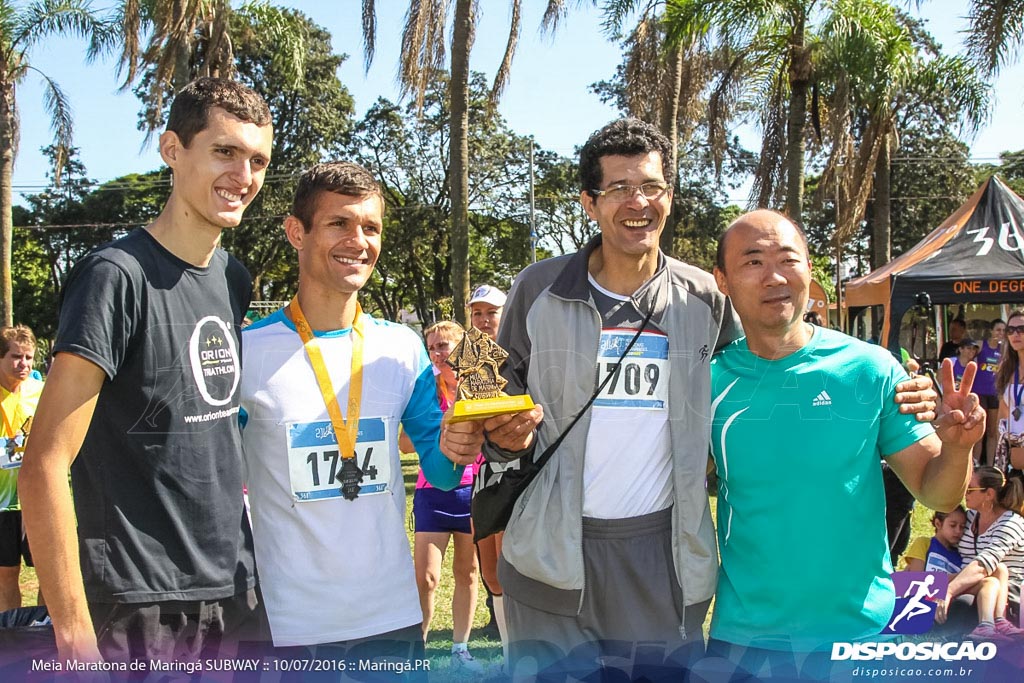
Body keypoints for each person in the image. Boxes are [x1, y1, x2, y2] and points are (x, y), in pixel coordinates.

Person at [19, 77, 273, 663]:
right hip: (140, 604)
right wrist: (74, 637)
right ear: (172, 150)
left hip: (236, 592)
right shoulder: (115, 275)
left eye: (258, 160)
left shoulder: (232, 279)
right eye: (224, 151)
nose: (244, 176)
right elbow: (44, 463)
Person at [237, 162, 501, 671]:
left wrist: (461, 441)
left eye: (372, 227)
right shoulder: (248, 351)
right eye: (339, 223)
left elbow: (442, 470)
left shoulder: (401, 349)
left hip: (390, 618)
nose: (359, 241)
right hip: (286, 624)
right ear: (297, 231)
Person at [708, 209, 982, 675]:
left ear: (809, 271)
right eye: (752, 262)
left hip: (859, 630)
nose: (774, 276)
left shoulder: (871, 369)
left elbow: (937, 492)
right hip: (746, 638)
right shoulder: (707, 381)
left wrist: (957, 447)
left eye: (788, 259)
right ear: (723, 280)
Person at [400, 320, 483, 672]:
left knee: (467, 573)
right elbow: (405, 444)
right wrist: (440, 429)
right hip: (432, 494)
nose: (436, 352)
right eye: (432, 346)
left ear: (462, 349)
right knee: (427, 577)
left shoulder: (482, 388)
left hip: (473, 492)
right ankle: (418, 648)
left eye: (444, 345)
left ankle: (460, 650)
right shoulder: (425, 390)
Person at [936, 466, 1024, 640]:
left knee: (965, 602)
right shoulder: (968, 518)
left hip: (1004, 589)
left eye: (970, 489)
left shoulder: (1011, 524)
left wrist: (948, 591)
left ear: (989, 494)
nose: (964, 494)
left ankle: (989, 628)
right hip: (968, 580)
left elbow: (984, 565)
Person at [0, 325, 44, 612]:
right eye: (16, 357)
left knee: (48, 574)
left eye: (28, 358)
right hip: (3, 505)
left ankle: (44, 630)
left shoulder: (42, 392)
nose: (24, 364)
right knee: (6, 575)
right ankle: (9, 639)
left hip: (38, 501)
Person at [995, 310, 1024, 481]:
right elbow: (1003, 415)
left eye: (1021, 329)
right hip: (1012, 455)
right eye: (1010, 330)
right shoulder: (1006, 369)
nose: (1015, 334)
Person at [902, 507, 967, 574]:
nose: (958, 531)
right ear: (938, 524)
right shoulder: (924, 544)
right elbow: (915, 577)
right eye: (952, 525)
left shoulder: (962, 556)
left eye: (962, 527)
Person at [977, 319, 1005, 466]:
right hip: (979, 393)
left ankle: (990, 465)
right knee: (980, 431)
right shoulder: (982, 345)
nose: (1000, 333)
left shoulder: (1005, 350)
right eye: (998, 330)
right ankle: (976, 464)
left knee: (992, 431)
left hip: (995, 393)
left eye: (1003, 331)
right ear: (992, 331)